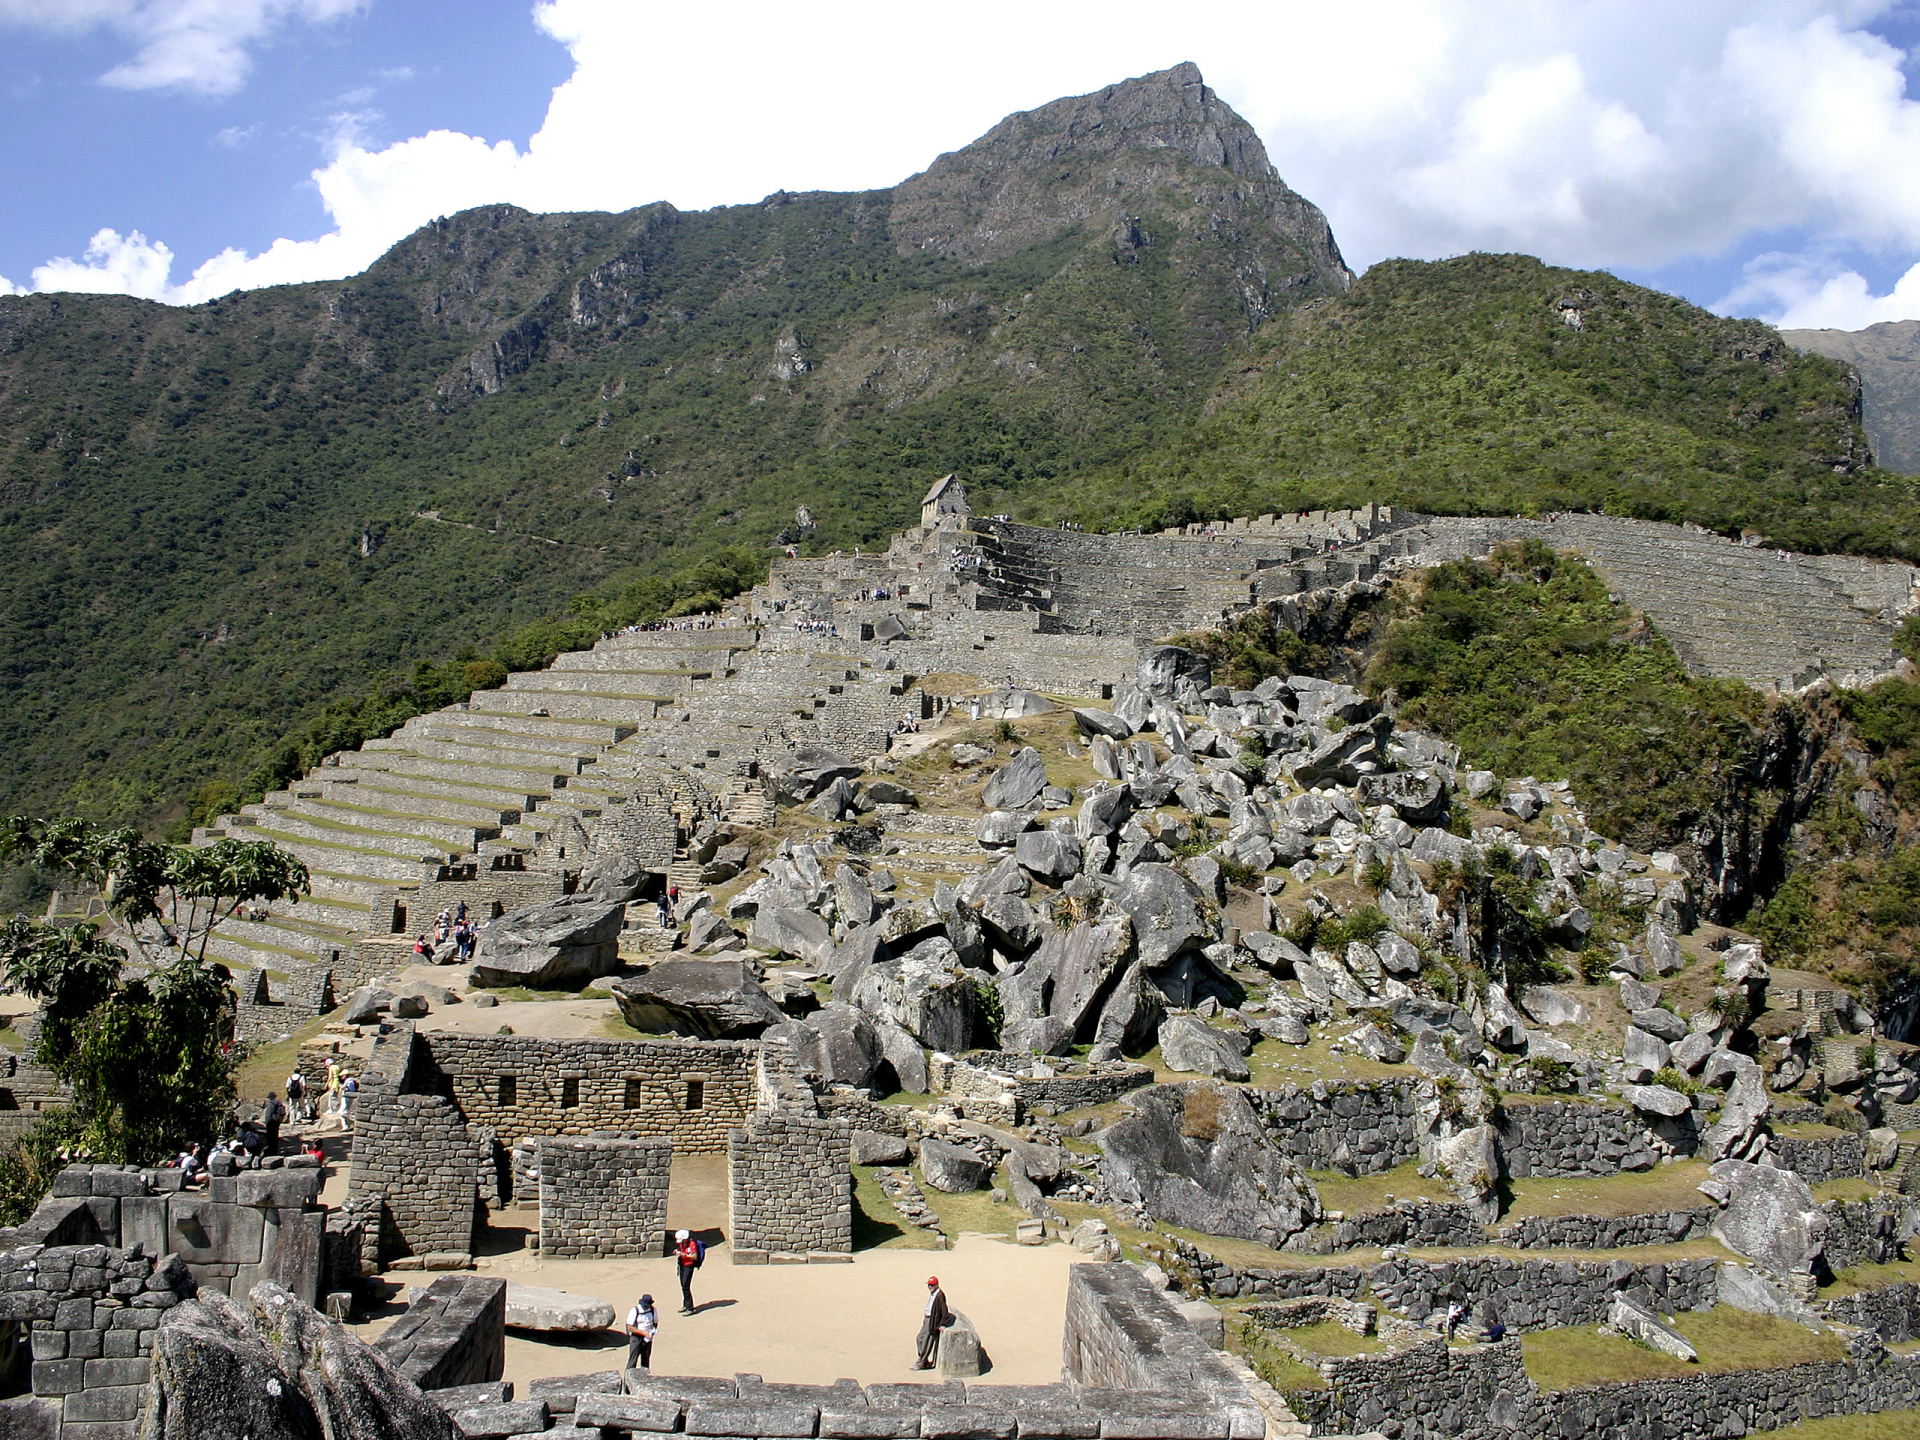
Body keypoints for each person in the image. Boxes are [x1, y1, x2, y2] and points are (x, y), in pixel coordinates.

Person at [913, 1275, 952, 1370]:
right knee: (919, 1338)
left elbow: (944, 1311)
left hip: (932, 1321)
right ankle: (924, 1360)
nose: (930, 1287)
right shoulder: (933, 1293)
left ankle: (921, 1362)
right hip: (926, 1319)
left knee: (926, 1343)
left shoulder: (940, 1295)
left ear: (937, 1285)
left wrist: (943, 1324)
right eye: (929, 1285)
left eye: (932, 1285)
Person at [625, 1293, 658, 1372]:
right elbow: (630, 1327)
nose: (646, 1307)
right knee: (632, 1361)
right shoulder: (635, 1310)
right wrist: (643, 1333)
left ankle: (645, 1377)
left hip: (647, 1338)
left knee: (645, 1361)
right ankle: (628, 1376)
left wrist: (652, 1331)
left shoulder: (653, 1310)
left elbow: (655, 1322)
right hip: (636, 1338)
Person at [674, 1229, 704, 1314]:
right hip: (682, 1265)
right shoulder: (683, 1243)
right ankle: (686, 1305)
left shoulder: (692, 1244)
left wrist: (684, 1255)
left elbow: (694, 1256)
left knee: (686, 1286)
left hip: (688, 1266)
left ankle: (690, 1308)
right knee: (683, 1286)